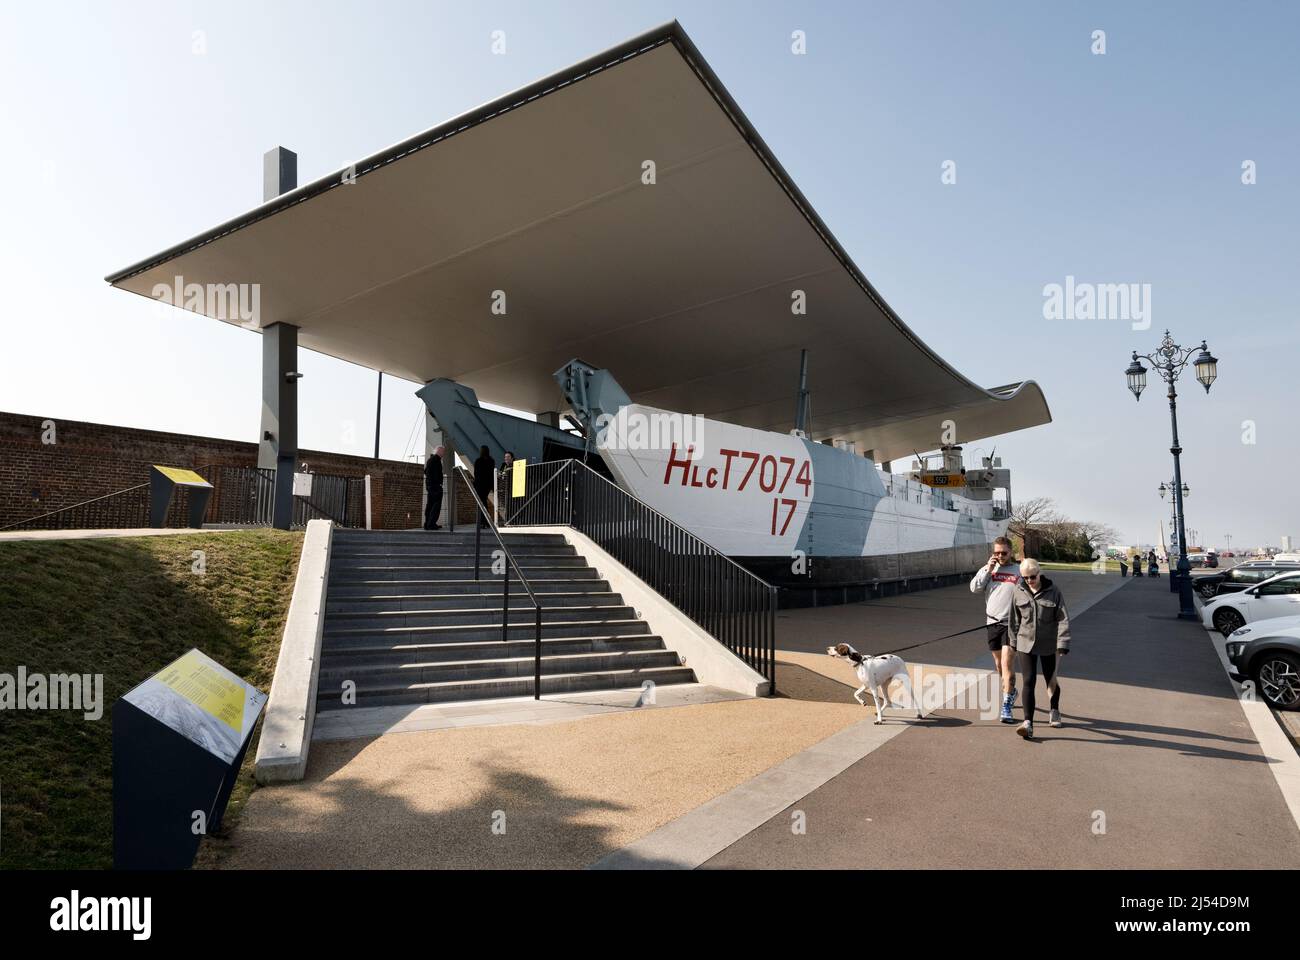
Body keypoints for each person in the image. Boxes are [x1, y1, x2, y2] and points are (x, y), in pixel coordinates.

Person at [1007, 558, 1071, 740]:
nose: (1029, 581)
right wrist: (1013, 642)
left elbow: (1063, 618)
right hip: (1025, 643)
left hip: (1048, 643)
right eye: (1025, 578)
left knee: (1051, 680)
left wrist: (1063, 643)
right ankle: (1028, 723)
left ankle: (1054, 709)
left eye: (1032, 577)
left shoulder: (1053, 591)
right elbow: (1013, 619)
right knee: (1029, 681)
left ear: (1039, 573)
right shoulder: (1018, 591)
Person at [969, 536, 1020, 723]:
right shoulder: (988, 569)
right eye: (997, 552)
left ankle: (1006, 705)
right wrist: (988, 570)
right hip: (992, 623)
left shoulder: (1018, 571)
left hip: (1011, 625)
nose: (1000, 556)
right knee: (999, 665)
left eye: (1004, 553)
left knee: (1007, 664)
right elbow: (974, 588)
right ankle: (1011, 690)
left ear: (1011, 552)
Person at [423, 445, 445, 530]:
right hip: (435, 487)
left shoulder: (430, 460)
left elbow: (425, 471)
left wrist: (430, 480)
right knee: (436, 506)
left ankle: (427, 524)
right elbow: (436, 474)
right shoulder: (436, 460)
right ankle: (431, 524)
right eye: (443, 451)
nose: (444, 453)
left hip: (430, 486)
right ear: (439, 451)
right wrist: (438, 483)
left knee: (430, 505)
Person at [473, 445, 496, 526]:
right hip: (488, 485)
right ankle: (485, 521)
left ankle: (484, 522)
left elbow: (476, 473)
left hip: (479, 485)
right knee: (483, 502)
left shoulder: (478, 461)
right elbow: (491, 473)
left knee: (481, 503)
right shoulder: (491, 461)